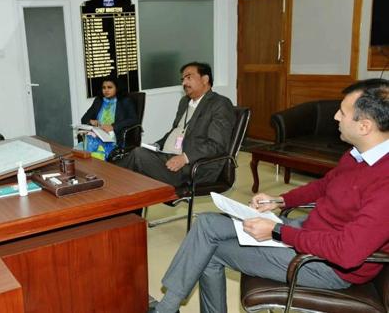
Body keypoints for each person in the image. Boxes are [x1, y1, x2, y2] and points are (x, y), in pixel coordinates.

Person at [150, 78, 389, 313]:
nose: (336, 116)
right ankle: (168, 306)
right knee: (207, 223)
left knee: (210, 252)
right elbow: (324, 186)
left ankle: (166, 309)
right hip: (307, 232)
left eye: (343, 113)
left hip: (326, 266)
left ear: (364, 126)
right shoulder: (357, 154)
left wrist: (277, 231)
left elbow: (347, 252)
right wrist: (280, 200)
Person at [116, 61, 234, 187]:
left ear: (205, 79)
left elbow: (217, 145)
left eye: (189, 78)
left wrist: (185, 157)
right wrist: (157, 145)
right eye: (183, 79)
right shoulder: (185, 102)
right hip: (168, 158)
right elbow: (176, 130)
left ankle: (110, 182)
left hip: (192, 166)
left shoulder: (220, 104)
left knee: (138, 156)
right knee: (133, 160)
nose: (184, 83)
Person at [80, 77, 137, 160]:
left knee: (94, 154)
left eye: (110, 87)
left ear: (117, 88)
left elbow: (134, 119)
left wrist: (113, 126)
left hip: (114, 137)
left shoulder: (125, 101)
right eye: (104, 88)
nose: (106, 90)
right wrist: (91, 121)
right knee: (80, 151)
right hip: (98, 134)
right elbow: (84, 119)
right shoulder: (98, 100)